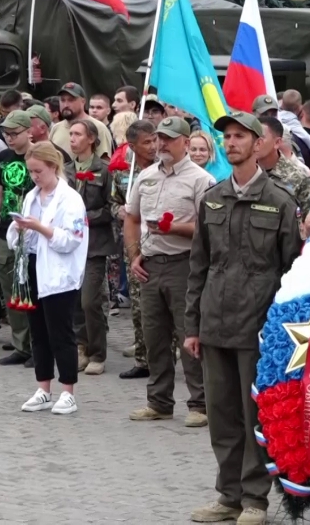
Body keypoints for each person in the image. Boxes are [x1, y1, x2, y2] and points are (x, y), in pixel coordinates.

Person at [185, 112, 302, 525]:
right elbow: (198, 267)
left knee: (255, 420)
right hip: (216, 324)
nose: (231, 142)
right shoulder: (213, 197)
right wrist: (192, 327)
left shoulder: (280, 201)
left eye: (240, 136)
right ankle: (228, 496)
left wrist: (284, 334)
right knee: (221, 417)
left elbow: (293, 273)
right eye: (227, 137)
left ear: (259, 144)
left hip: (259, 329)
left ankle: (255, 500)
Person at [127, 117, 216, 427]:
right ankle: (159, 402)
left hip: (184, 265)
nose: (161, 144)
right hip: (150, 265)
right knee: (154, 338)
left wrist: (175, 228)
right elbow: (131, 217)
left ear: (185, 142)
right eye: (158, 138)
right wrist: (134, 254)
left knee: (187, 336)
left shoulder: (200, 180)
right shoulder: (146, 176)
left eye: (168, 138)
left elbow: (208, 230)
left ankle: (200, 404)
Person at [10, 142, 89, 416]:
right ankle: (43, 388)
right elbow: (20, 237)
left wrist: (40, 227)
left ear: (53, 167)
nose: (34, 177)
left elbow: (71, 240)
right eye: (31, 171)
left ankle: (68, 391)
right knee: (38, 332)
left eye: (38, 171)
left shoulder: (70, 199)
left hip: (59, 275)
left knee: (61, 333)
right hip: (33, 268)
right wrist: (20, 227)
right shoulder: (31, 196)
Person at [67, 120, 117, 376]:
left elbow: (112, 207)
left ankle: (98, 352)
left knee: (90, 301)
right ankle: (81, 346)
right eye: (71, 134)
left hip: (95, 245)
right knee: (73, 299)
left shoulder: (104, 171)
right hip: (68, 246)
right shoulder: (65, 170)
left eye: (77, 134)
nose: (72, 138)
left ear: (91, 139)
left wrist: (85, 217)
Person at [0, 111, 37, 367]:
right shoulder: (4, 157)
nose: (8, 138)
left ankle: (38, 345)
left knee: (33, 289)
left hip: (33, 233)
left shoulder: (38, 156)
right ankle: (21, 344)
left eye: (14, 133)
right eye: (5, 133)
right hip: (7, 230)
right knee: (11, 288)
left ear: (29, 131)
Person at [113, 120, 158, 379]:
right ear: (133, 146)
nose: (152, 147)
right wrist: (117, 210)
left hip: (161, 243)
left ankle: (164, 356)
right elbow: (113, 202)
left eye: (154, 141)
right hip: (134, 244)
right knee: (139, 306)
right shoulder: (123, 173)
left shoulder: (164, 170)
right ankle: (143, 360)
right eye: (146, 142)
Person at [257, 115, 310, 218]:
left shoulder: (300, 178)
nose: (256, 142)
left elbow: (306, 222)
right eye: (253, 136)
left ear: (277, 142)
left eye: (261, 137)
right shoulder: (245, 173)